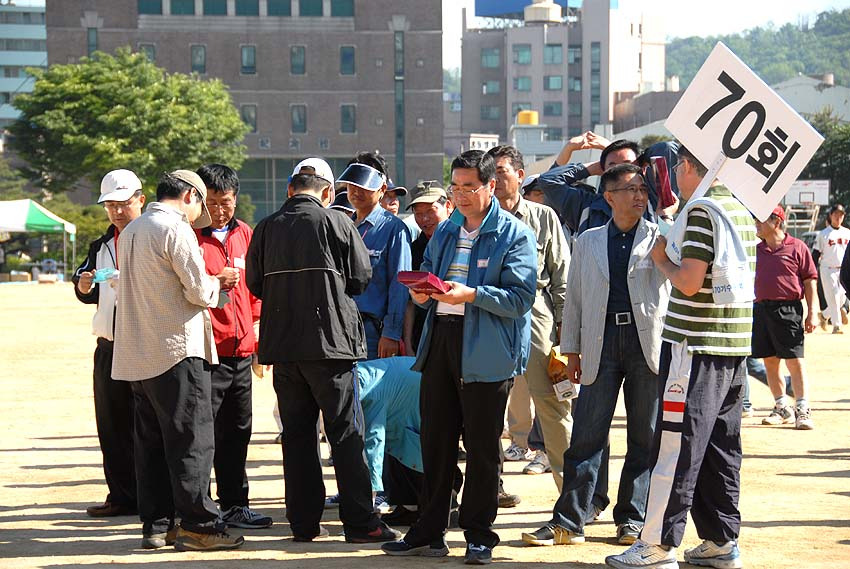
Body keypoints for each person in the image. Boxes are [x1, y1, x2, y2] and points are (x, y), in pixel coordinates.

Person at [381, 150, 536, 564]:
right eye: (457, 187)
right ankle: (429, 529)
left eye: (471, 187)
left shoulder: (515, 234)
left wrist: (471, 295)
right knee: (435, 441)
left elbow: (521, 299)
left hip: (486, 347)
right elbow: (429, 273)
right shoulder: (448, 231)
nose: (463, 195)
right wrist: (421, 292)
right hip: (442, 341)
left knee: (483, 447)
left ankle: (479, 534)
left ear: (490, 187)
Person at [606, 145, 757, 569]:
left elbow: (689, 282)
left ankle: (655, 544)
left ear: (690, 167)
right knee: (721, 448)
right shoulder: (740, 208)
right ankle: (720, 540)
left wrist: (661, 260)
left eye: (677, 167)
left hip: (694, 346)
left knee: (676, 444)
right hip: (731, 347)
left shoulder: (701, 212)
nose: (673, 175)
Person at [245, 157, 399, 544]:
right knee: (346, 434)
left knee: (297, 436)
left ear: (289, 190)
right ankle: (361, 523)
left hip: (283, 347)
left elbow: (255, 284)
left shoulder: (265, 228)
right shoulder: (338, 222)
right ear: (329, 193)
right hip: (331, 345)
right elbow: (362, 278)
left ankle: (303, 522)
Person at [523, 163, 670, 548]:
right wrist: (570, 350)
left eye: (642, 189)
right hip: (599, 342)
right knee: (587, 434)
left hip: (646, 344)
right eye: (630, 189)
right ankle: (569, 520)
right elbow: (574, 301)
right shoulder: (587, 241)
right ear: (609, 197)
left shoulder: (660, 238)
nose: (639, 195)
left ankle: (632, 518)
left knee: (644, 435)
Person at [112, 170, 244, 551]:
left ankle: (157, 524)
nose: (197, 215)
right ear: (189, 196)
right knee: (192, 440)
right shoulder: (175, 229)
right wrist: (221, 280)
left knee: (151, 442)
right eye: (199, 205)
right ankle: (199, 525)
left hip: (140, 352)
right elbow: (200, 290)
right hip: (176, 348)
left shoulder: (135, 229)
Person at [487, 145, 572, 487]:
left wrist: (567, 328)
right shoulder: (476, 220)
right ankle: (491, 490)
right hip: (489, 316)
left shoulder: (542, 217)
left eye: (501, 172)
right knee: (486, 409)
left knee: (553, 408)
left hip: (536, 316)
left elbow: (562, 274)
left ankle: (571, 499)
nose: (495, 179)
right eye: (489, 173)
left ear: (520, 176)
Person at [195, 163, 271, 528]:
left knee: (239, 429)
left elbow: (256, 290)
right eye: (212, 202)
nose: (220, 210)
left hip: (242, 349)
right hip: (206, 351)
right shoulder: (189, 237)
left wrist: (257, 337)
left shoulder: (246, 233)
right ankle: (200, 506)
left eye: (226, 202)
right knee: (202, 433)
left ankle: (236, 503)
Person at [72, 169, 145, 518]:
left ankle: (152, 496)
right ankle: (121, 496)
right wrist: (84, 286)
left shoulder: (153, 238)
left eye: (124, 203)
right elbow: (84, 282)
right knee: (112, 425)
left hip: (147, 344)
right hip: (110, 344)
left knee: (147, 425)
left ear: (140, 201)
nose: (117, 211)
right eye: (110, 205)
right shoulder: (100, 246)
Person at [338, 152, 412, 359]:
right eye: (352, 184)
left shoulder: (394, 229)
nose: (356, 191)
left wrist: (391, 333)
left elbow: (399, 285)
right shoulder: (341, 225)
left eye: (364, 185)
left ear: (382, 189)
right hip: (340, 330)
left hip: (373, 333)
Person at [752, 205, 818, 430]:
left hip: (788, 310)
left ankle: (802, 408)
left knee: (794, 361)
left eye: (760, 220)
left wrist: (812, 313)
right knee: (770, 361)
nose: (756, 224)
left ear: (776, 221)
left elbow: (810, 280)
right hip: (761, 309)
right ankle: (781, 406)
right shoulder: (756, 249)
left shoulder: (797, 247)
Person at [402, 180, 454, 355]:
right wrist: (408, 343)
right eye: (418, 213)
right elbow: (409, 302)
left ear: (448, 206)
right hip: (424, 336)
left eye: (430, 211)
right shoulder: (414, 249)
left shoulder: (465, 241)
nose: (424, 219)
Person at [812, 204, 849, 334]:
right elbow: (815, 254)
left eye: (841, 214)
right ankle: (836, 326)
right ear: (831, 215)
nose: (838, 217)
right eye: (836, 214)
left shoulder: (847, 233)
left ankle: (824, 316)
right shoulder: (823, 234)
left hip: (843, 269)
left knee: (842, 298)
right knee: (833, 297)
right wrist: (812, 272)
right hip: (828, 269)